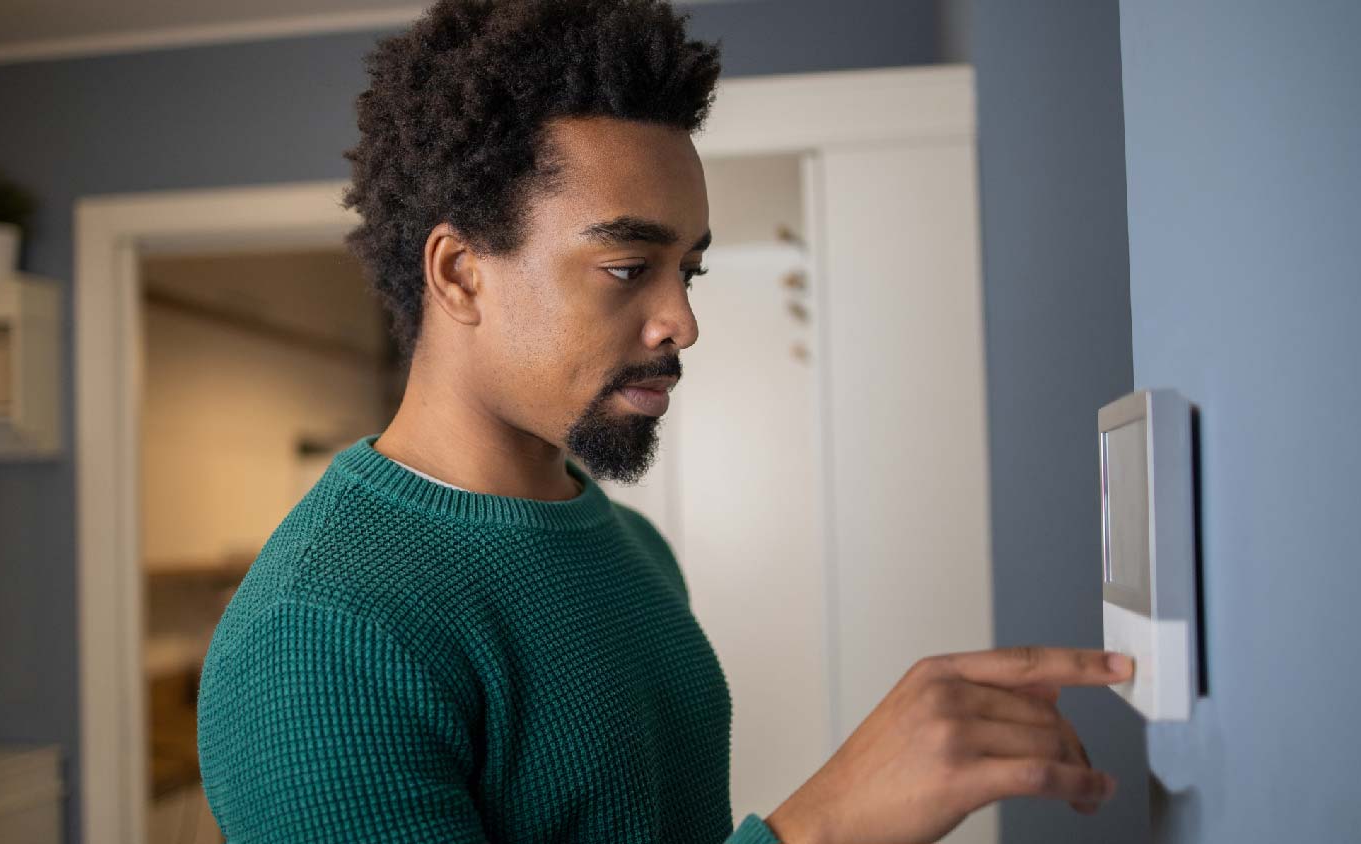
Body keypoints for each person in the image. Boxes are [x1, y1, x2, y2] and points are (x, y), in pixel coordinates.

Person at [195, 1, 1135, 841]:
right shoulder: (318, 633)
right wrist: (822, 829)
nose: (681, 319)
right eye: (625, 266)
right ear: (458, 273)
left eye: (689, 270)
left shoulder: (631, 546)